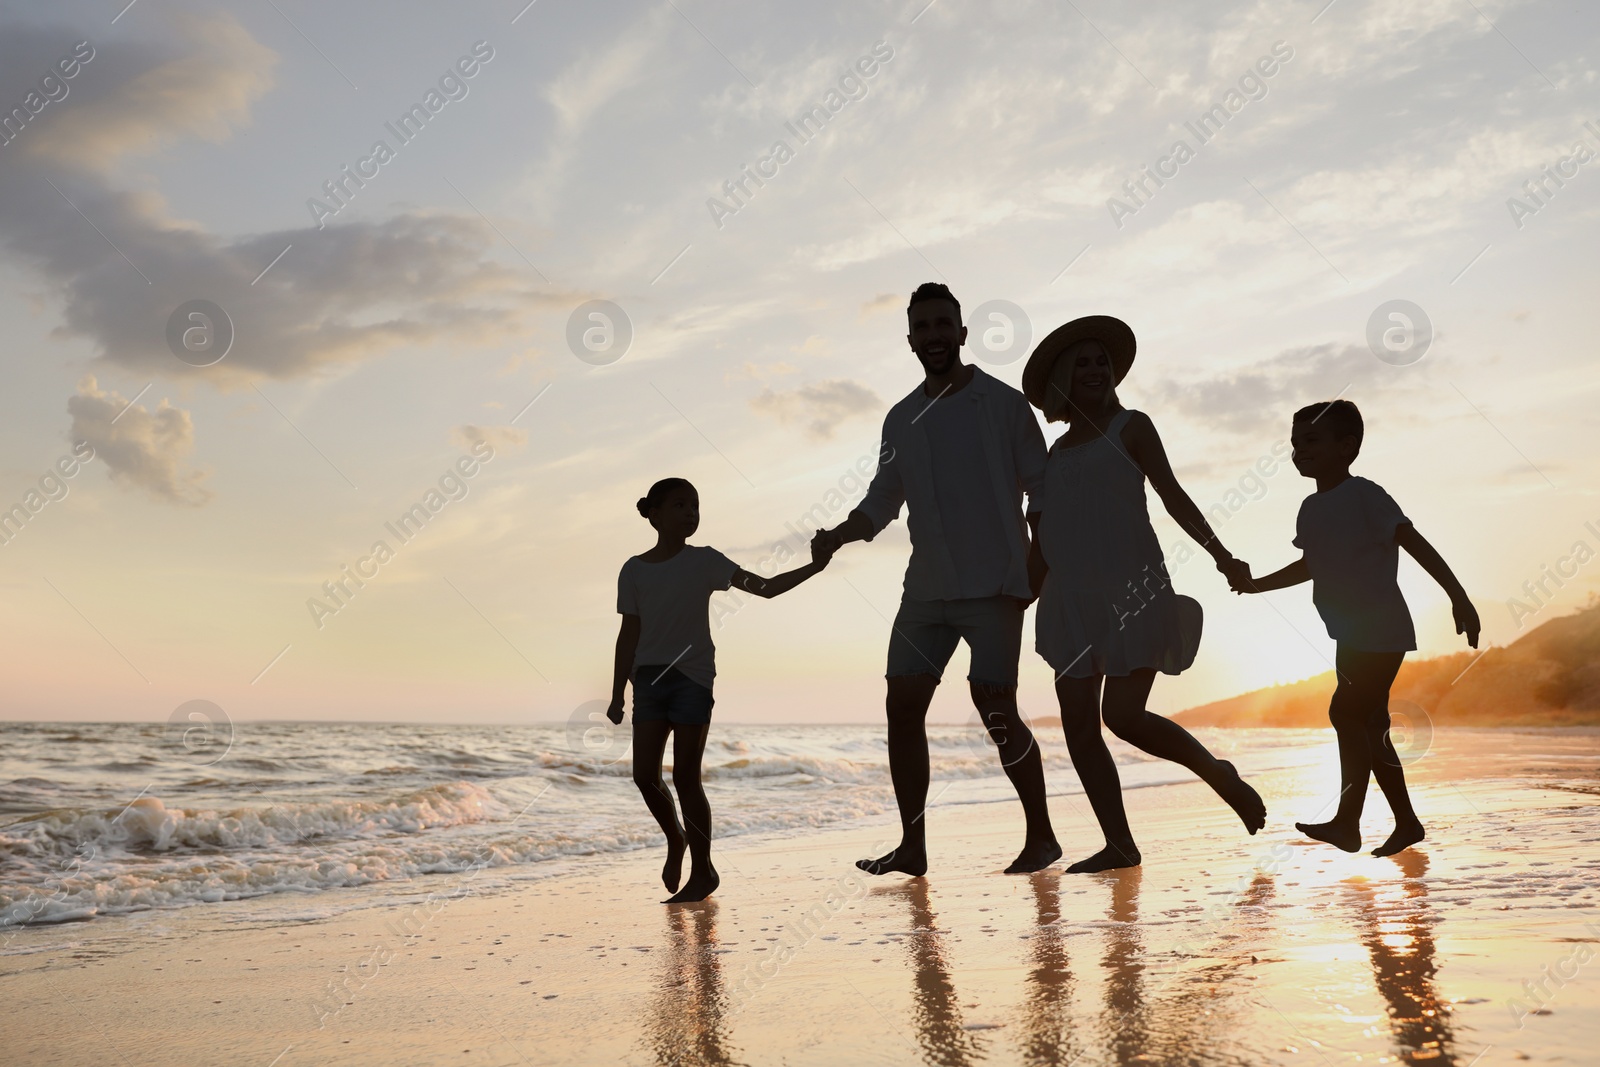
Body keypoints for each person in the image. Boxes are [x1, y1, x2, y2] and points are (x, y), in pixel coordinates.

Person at [813, 282, 1061, 877]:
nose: (933, 336)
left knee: (995, 709)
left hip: (998, 587)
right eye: (922, 328)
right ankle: (913, 846)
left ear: (962, 333)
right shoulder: (900, 418)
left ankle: (1043, 836)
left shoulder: (1003, 405)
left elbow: (1045, 492)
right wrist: (838, 534)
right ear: (909, 340)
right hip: (925, 590)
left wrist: (1036, 570)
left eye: (942, 324)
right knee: (903, 707)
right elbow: (882, 500)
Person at [1020, 316, 1267, 873]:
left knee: (1124, 717)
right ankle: (1120, 845)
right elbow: (1045, 538)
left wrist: (1222, 554)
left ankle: (1216, 772)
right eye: (1080, 362)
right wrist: (1016, 600)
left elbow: (1173, 495)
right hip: (1070, 602)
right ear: (1062, 376)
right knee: (1080, 726)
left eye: (1100, 361)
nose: (1094, 369)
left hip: (1134, 589)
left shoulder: (1132, 427)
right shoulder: (1054, 456)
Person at [1229, 400, 1479, 857]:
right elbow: (1310, 564)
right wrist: (1256, 585)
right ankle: (1406, 823)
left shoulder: (1365, 494)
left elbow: (1414, 541)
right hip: (1347, 632)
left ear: (1348, 447)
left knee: (1345, 714)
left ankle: (1348, 822)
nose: (1299, 450)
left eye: (1311, 441)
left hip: (1379, 627)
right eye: (1294, 443)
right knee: (1370, 724)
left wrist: (1457, 596)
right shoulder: (1310, 507)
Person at [607, 477, 831, 902]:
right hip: (649, 682)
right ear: (653, 513)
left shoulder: (705, 561)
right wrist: (617, 693)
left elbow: (764, 588)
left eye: (694, 506)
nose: (690, 513)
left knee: (687, 776)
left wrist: (814, 566)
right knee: (644, 776)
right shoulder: (633, 570)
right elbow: (628, 633)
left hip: (692, 679)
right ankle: (676, 839)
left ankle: (703, 871)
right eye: (679, 505)